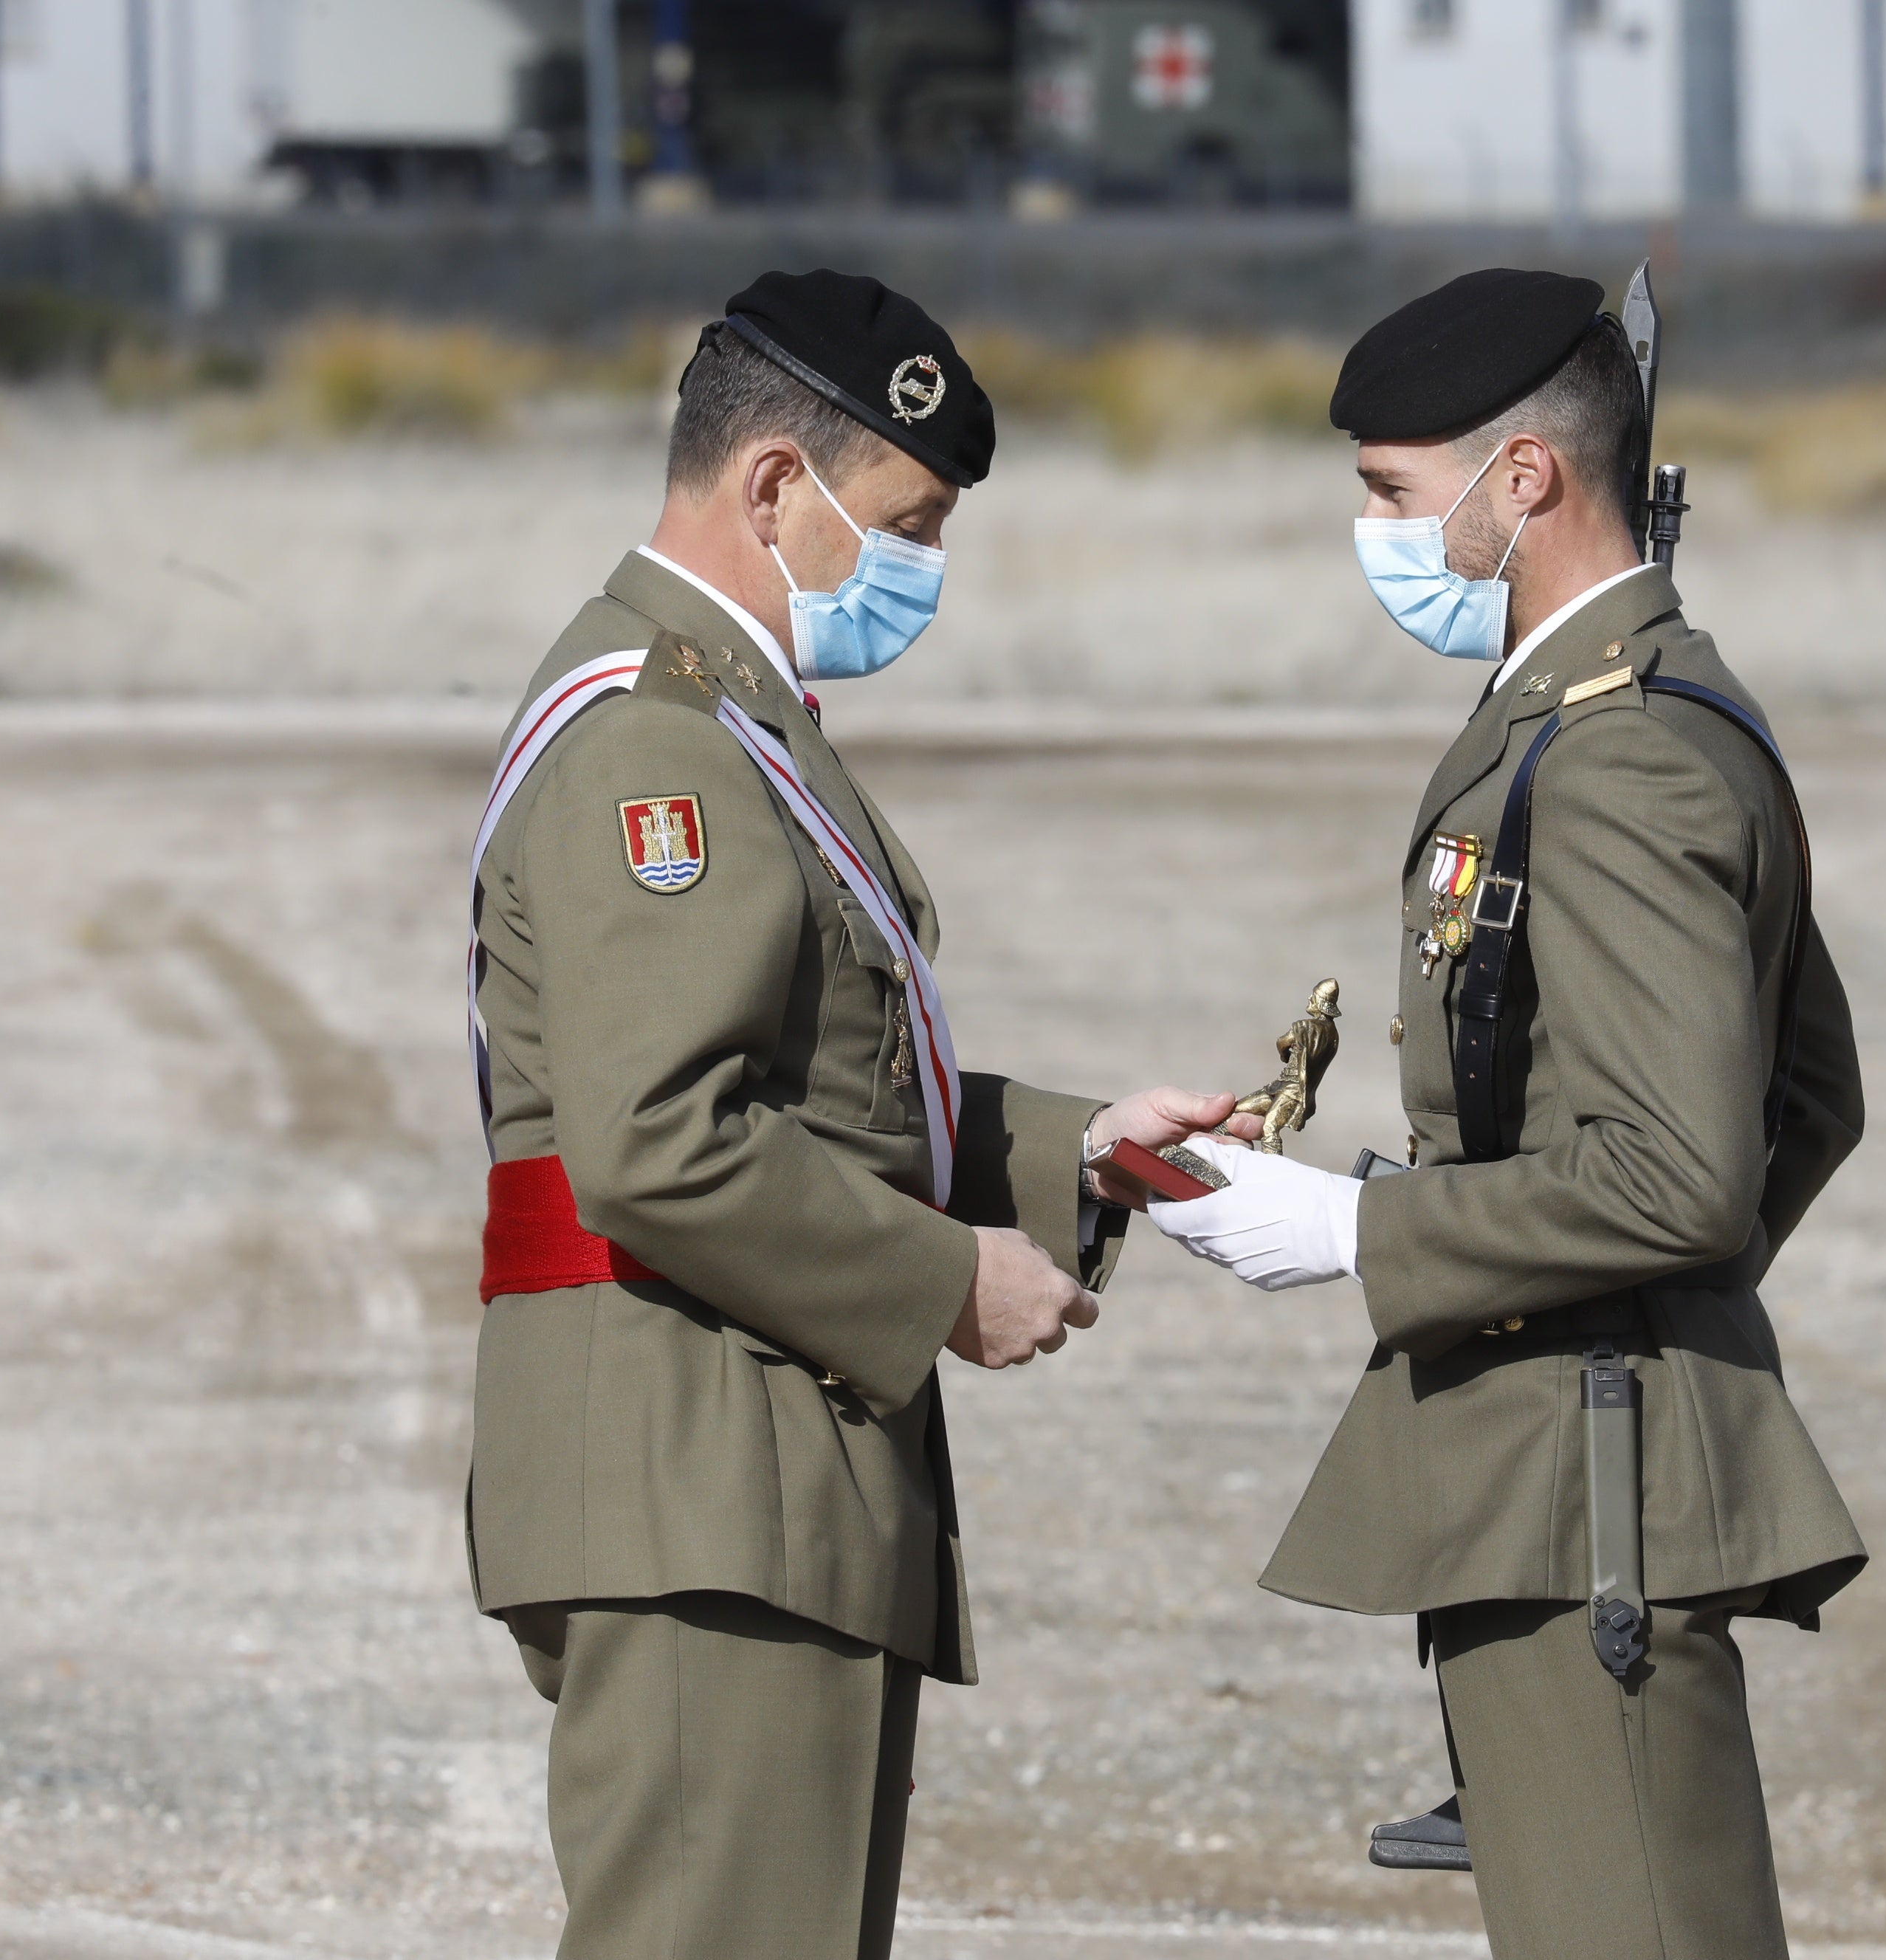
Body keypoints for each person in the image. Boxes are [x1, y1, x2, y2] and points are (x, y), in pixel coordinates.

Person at [464, 268, 1240, 1960]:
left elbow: (820, 1080)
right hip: (700, 1480)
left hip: (742, 1470)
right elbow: (664, 1139)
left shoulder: (727, 715)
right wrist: (944, 1284)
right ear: (769, 488)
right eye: (906, 523)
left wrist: (1074, 1148)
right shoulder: (647, 744)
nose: (922, 572)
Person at [1149, 269, 1871, 1960]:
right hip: (1555, 1455)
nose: (1377, 532)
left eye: (1396, 493)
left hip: (1588, 1484)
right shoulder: (1614, 706)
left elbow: (1686, 1168)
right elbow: (1805, 1097)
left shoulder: (1622, 753)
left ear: (1527, 479)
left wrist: (1370, 1230)